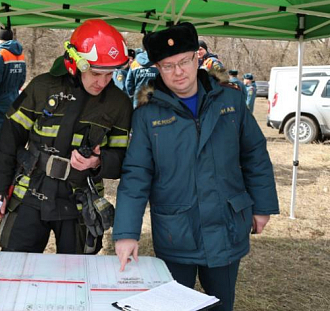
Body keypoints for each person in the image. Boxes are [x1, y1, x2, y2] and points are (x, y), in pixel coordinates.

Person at [113, 22, 279, 311]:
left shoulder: (231, 100)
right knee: (174, 305)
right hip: (176, 230)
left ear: (197, 58)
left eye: (184, 62)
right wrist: (126, 233)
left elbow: (254, 154)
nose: (178, 72)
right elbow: (137, 175)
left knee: (222, 304)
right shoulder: (147, 115)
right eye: (167, 66)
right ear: (158, 69)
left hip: (227, 226)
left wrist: (262, 206)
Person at [0, 19, 133, 255]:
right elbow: (8, 141)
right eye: (96, 73)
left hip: (79, 202)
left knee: (78, 275)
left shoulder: (119, 104)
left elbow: (124, 158)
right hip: (30, 193)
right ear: (74, 63)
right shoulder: (41, 87)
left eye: (110, 75)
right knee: (15, 265)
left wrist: (99, 161)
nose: (103, 82)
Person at [0, 28, 26, 139]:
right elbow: (22, 79)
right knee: (9, 133)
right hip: (14, 98)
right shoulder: (20, 55)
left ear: (0, 39)